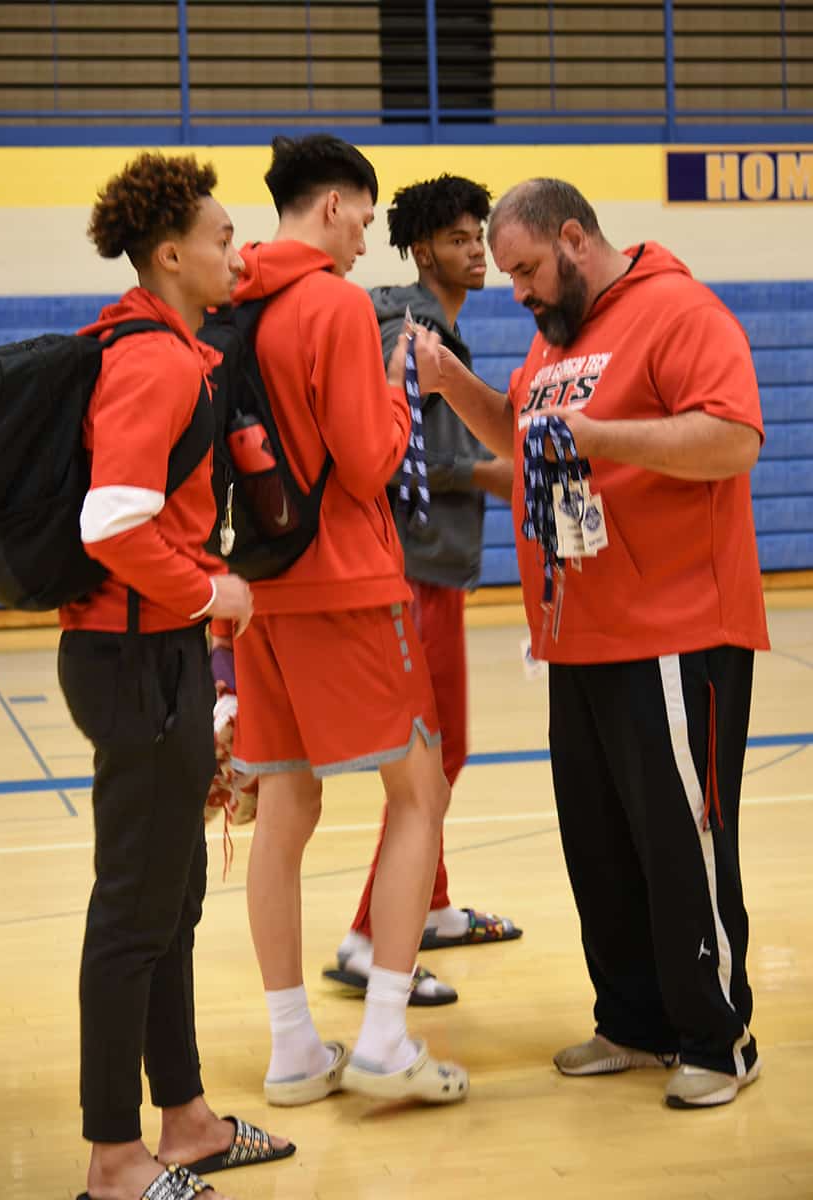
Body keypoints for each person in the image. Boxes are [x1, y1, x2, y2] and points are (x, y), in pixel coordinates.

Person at [422, 176, 769, 1109]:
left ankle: (717, 1037)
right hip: (575, 635)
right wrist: (455, 386)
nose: (520, 291)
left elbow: (734, 439)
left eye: (528, 269)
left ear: (574, 237)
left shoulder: (679, 311)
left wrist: (601, 434)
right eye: (510, 277)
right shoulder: (555, 336)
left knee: (677, 842)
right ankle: (632, 1020)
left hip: (674, 632)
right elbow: (533, 438)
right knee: (601, 845)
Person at [58, 152, 292, 1200]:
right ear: (171, 256)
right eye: (223, 238)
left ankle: (185, 1117)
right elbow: (110, 521)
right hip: (135, 656)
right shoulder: (154, 362)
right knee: (133, 908)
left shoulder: (159, 346)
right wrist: (211, 596)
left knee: (175, 894)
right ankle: (114, 1159)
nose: (234, 254)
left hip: (152, 652)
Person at [223, 134, 469, 1106]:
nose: (369, 237)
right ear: (330, 205)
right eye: (365, 218)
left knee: (284, 812)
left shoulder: (226, 301)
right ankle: (381, 1040)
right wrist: (404, 392)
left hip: (256, 595)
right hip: (347, 584)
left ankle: (291, 1051)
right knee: (417, 792)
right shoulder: (330, 302)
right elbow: (369, 464)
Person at [324, 174, 520, 1006]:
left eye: (480, 237)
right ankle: (369, 935)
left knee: (443, 745)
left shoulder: (427, 323)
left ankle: (429, 906)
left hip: (429, 565)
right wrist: (501, 473)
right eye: (459, 240)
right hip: (407, 568)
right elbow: (393, 453)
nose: (475, 252)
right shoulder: (410, 328)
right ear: (420, 249)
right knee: (433, 757)